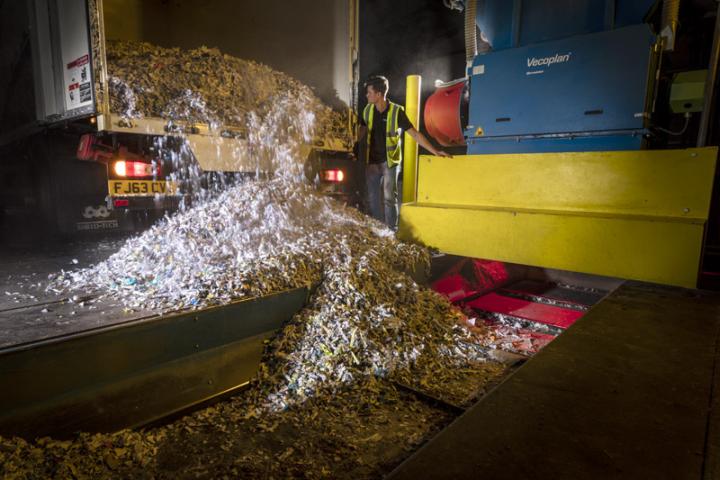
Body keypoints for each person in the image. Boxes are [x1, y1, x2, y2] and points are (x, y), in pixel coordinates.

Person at [357, 75, 451, 229]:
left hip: (390, 162)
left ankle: (391, 232)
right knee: (372, 198)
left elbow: (415, 134)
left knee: (389, 199)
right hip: (372, 162)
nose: (367, 95)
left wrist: (435, 151)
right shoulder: (367, 110)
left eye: (369, 92)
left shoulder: (396, 111)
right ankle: (377, 229)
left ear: (379, 94)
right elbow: (360, 132)